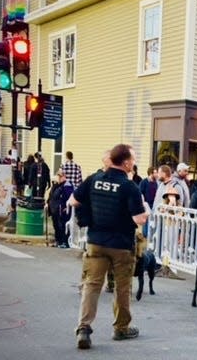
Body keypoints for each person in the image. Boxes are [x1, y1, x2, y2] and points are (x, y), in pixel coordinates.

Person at [70, 144, 150, 349]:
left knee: (92, 285)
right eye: (132, 159)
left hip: (96, 241)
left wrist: (90, 212)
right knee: (122, 288)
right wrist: (147, 210)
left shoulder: (94, 179)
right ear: (125, 162)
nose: (134, 162)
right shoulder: (129, 186)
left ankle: (84, 328)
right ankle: (121, 328)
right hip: (121, 245)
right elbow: (139, 219)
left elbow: (73, 201)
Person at [48, 169, 74, 248]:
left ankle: (64, 242)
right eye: (58, 176)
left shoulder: (67, 186)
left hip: (62, 210)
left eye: (59, 176)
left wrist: (67, 207)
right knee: (56, 226)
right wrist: (47, 204)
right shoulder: (56, 185)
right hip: (55, 209)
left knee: (62, 226)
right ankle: (58, 241)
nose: (58, 178)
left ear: (63, 176)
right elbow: (51, 196)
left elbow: (70, 197)